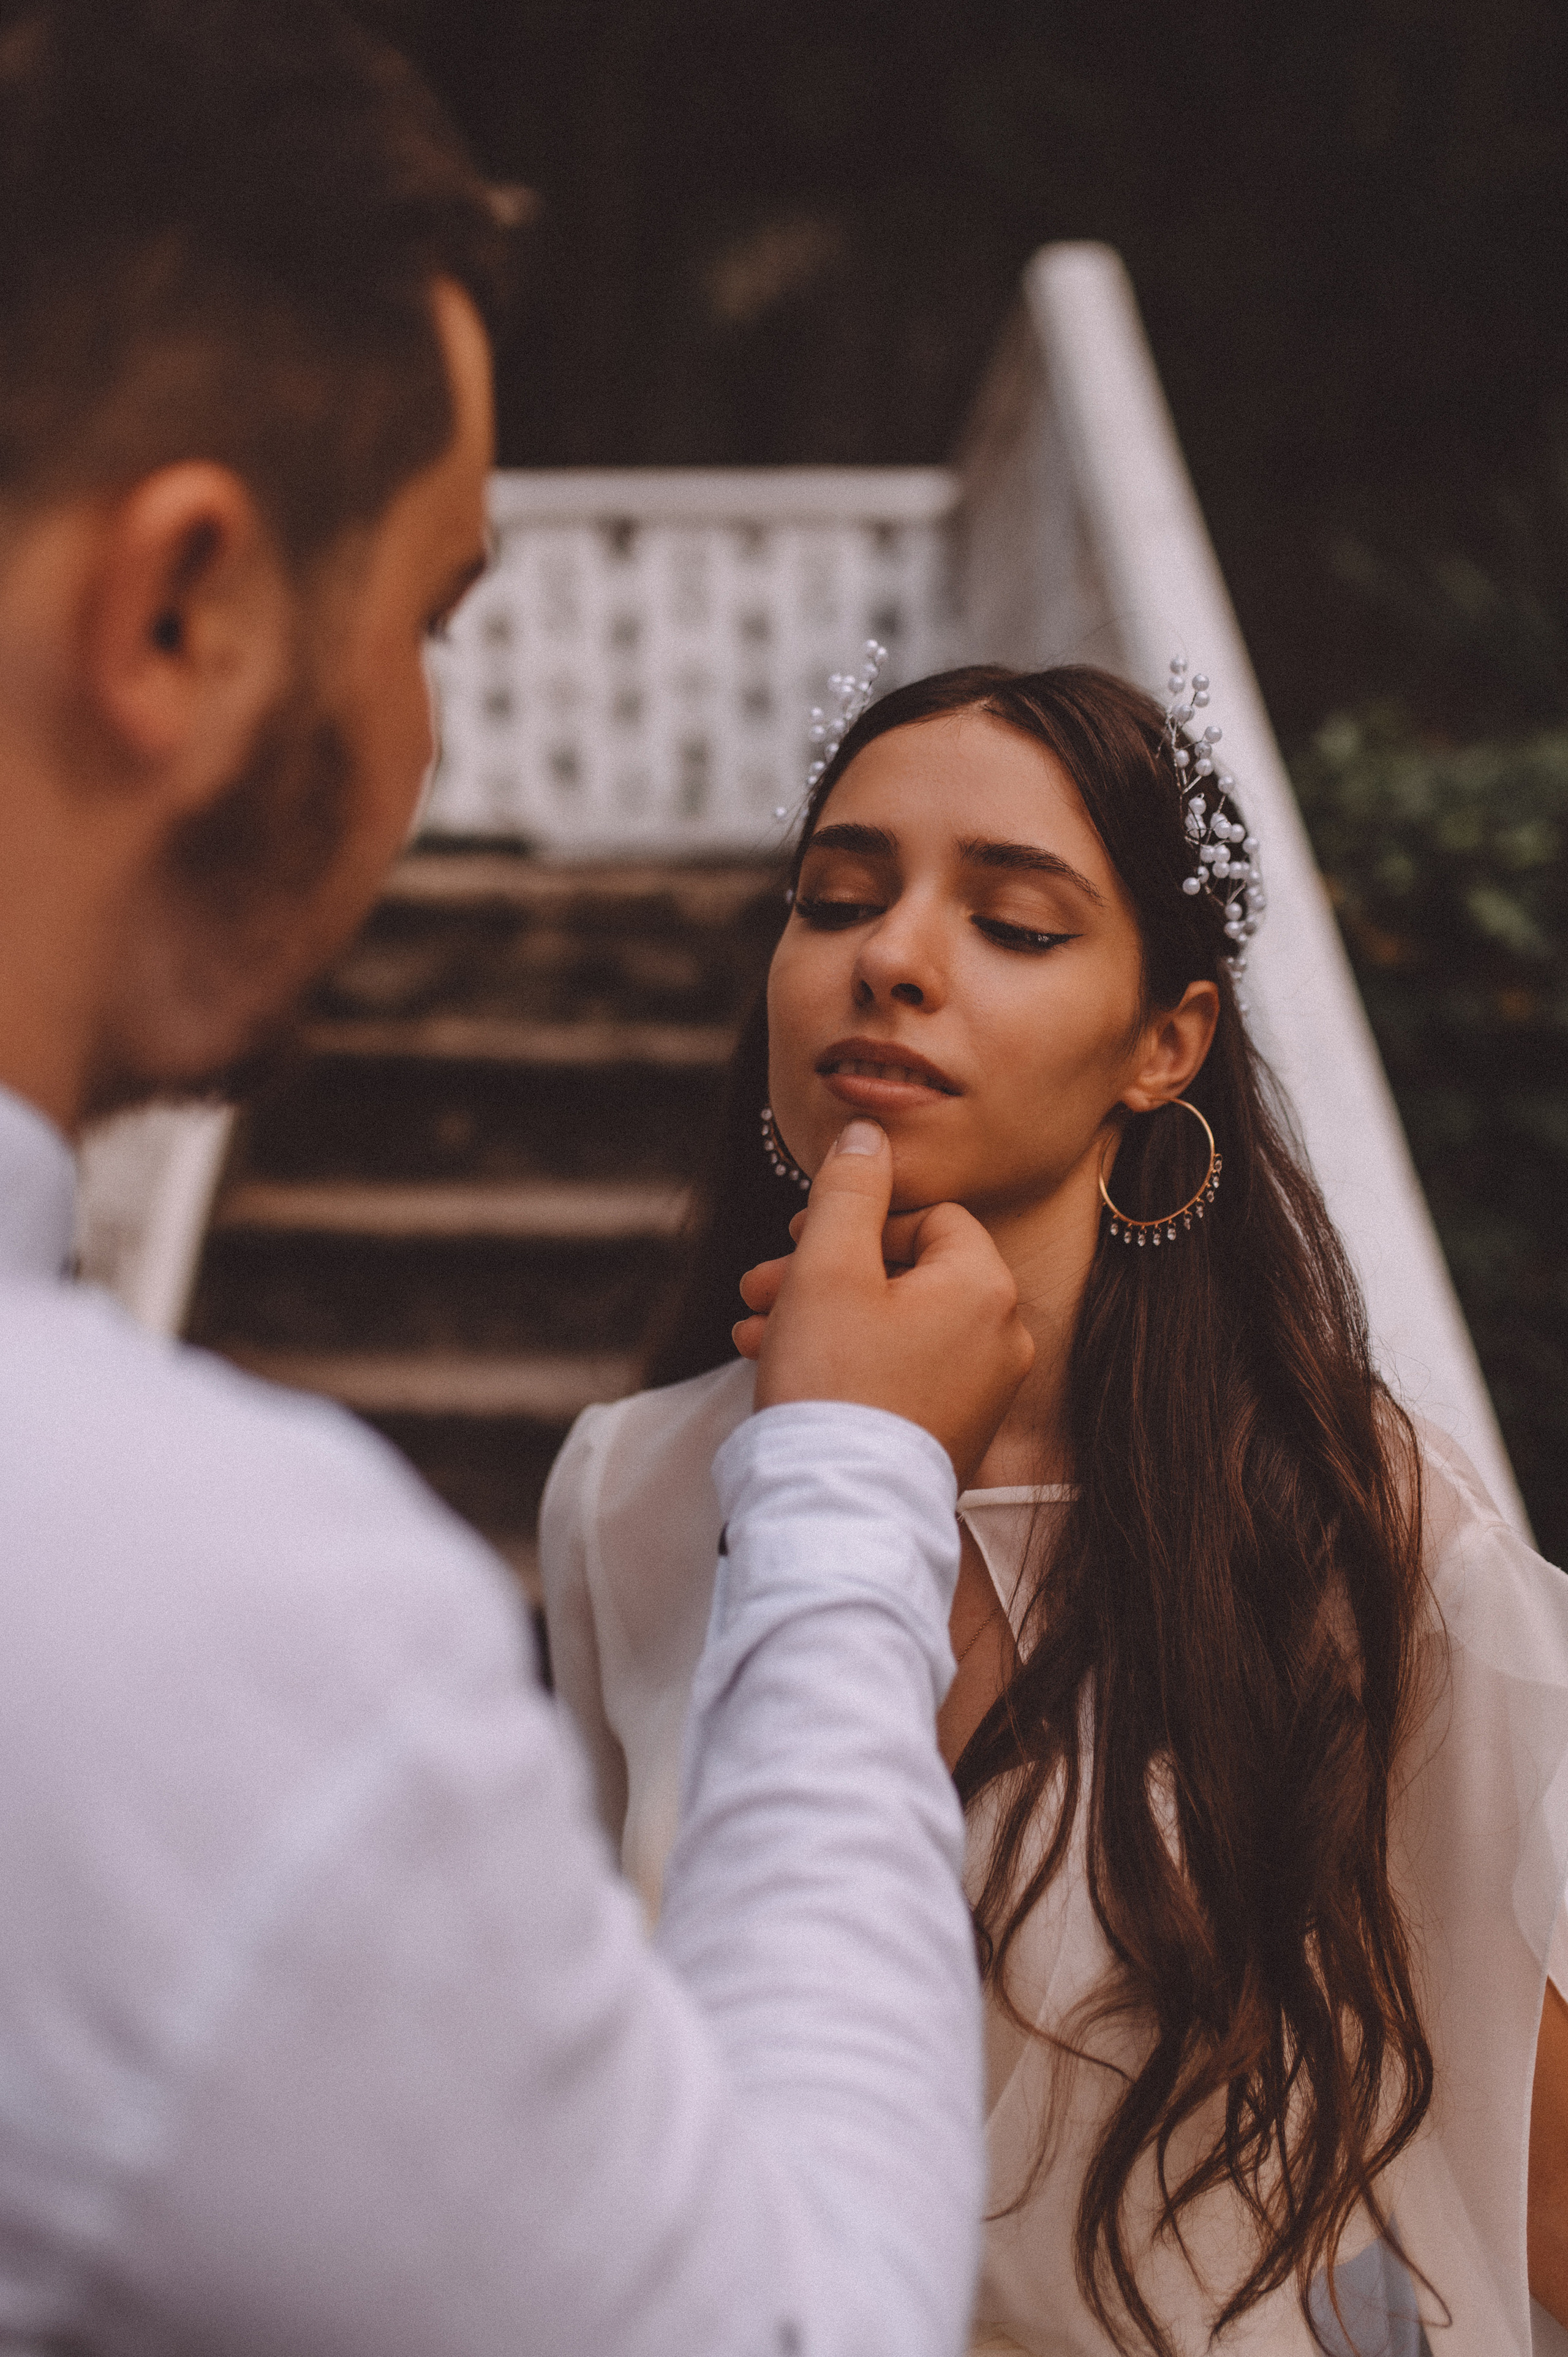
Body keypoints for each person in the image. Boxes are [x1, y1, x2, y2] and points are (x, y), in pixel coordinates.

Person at [0, 6, 1039, 2351]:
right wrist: (861, 1487)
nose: (436, 726)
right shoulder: (200, 1635)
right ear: (181, 613)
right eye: (436, 616)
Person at [541, 662, 1568, 2357]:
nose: (889, 956)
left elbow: (1541, 2180)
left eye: (1015, 924)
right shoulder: (629, 1494)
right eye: (836, 900)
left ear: (1165, 1042)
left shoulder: (1348, 1521)